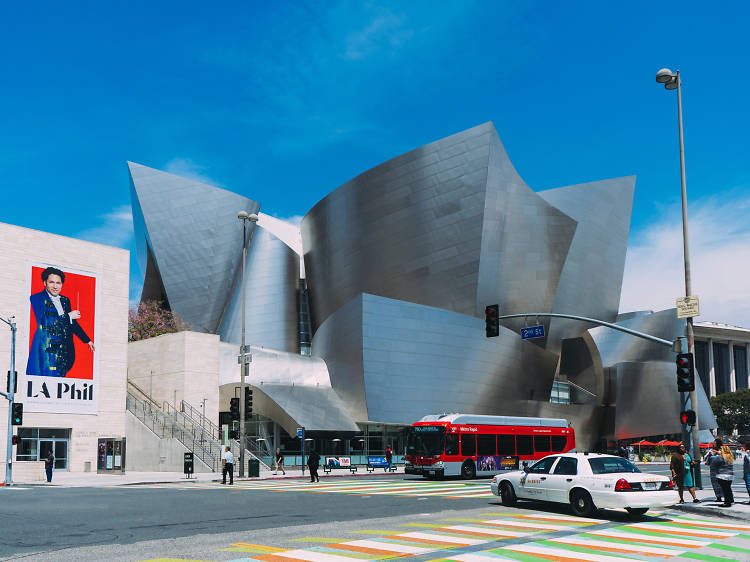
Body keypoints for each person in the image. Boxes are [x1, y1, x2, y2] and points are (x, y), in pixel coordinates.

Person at [27, 267, 94, 378]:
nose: (55, 286)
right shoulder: (36, 298)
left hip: (64, 353)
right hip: (45, 352)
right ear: (45, 283)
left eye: (58, 283)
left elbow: (72, 324)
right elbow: (45, 322)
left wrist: (87, 340)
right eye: (51, 282)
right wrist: (68, 316)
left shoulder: (65, 300)